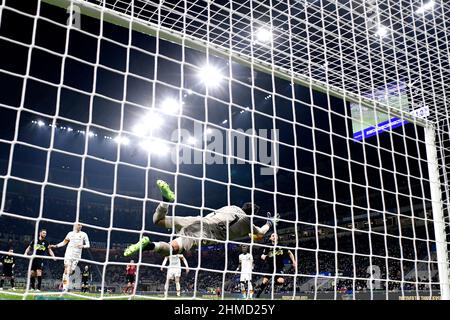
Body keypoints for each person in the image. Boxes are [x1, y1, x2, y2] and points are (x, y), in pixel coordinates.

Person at [124, 180, 277, 257]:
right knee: (173, 250)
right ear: (251, 215)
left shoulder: (231, 207)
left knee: (158, 220)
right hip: (203, 234)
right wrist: (269, 223)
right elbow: (260, 234)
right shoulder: (248, 224)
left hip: (198, 220)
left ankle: (165, 201)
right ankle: (149, 245)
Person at [49, 223, 90, 293]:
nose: (80, 226)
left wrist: (82, 246)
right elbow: (64, 242)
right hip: (69, 254)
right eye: (79, 225)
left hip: (77, 256)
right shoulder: (70, 233)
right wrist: (55, 246)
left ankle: (64, 282)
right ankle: (65, 288)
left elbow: (88, 245)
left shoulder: (84, 234)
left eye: (81, 225)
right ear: (75, 226)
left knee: (70, 272)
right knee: (66, 271)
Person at [255, 233, 296, 298]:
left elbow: (290, 253)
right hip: (270, 267)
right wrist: (264, 256)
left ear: (277, 238)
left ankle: (274, 281)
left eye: (275, 236)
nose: (274, 237)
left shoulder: (282, 246)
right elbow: (263, 256)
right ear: (270, 238)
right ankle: (257, 296)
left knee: (281, 281)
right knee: (264, 281)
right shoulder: (268, 247)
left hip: (279, 267)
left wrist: (294, 261)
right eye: (272, 236)